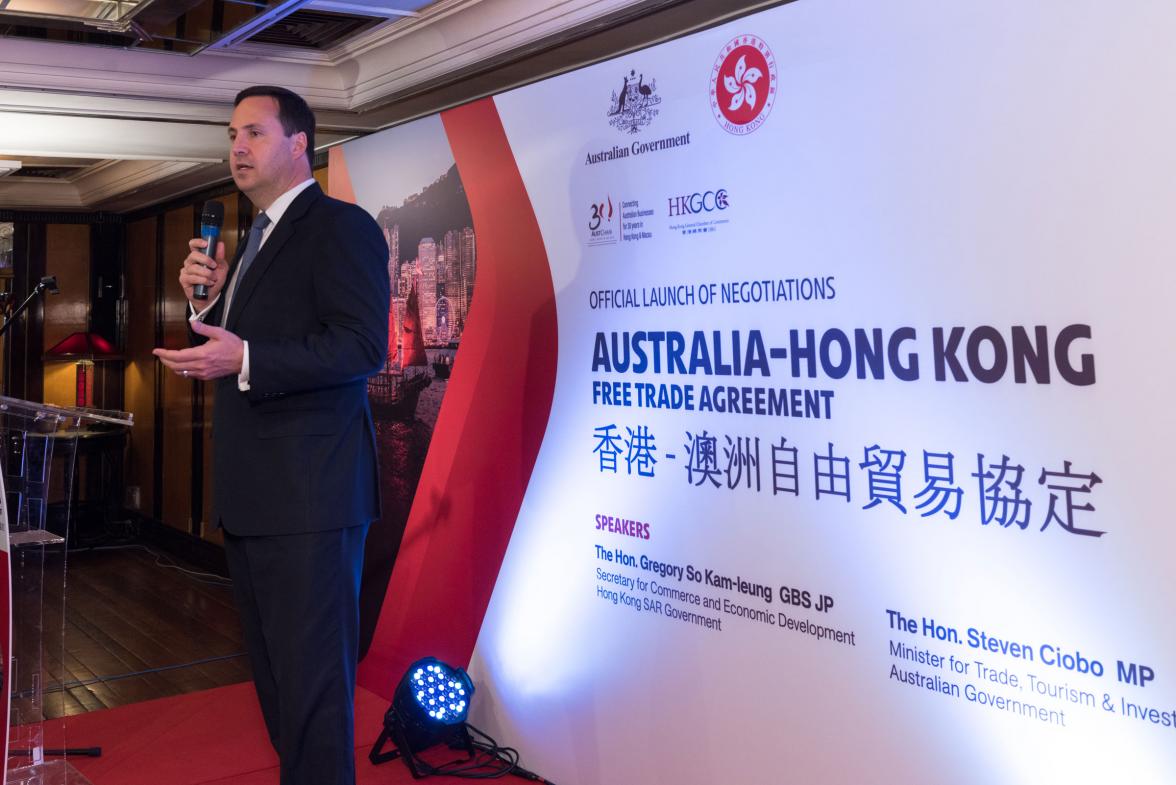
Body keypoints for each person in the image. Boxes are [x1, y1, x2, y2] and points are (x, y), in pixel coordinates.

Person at [153, 85, 389, 785]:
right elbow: (253, 336)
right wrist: (209, 301)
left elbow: (360, 348)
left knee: (313, 697)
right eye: (232, 135)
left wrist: (245, 357)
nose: (236, 148)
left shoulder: (340, 227)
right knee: (281, 692)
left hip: (312, 503)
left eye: (253, 133)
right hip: (258, 501)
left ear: (298, 144)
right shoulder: (256, 236)